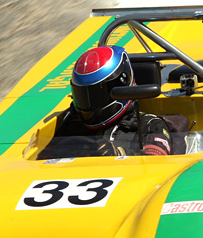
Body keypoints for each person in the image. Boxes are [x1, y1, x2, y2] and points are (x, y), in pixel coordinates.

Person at [44, 46, 172, 157]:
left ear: (122, 84)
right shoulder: (71, 126)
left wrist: (119, 154)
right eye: (83, 95)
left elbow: (157, 161)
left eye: (96, 95)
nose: (90, 103)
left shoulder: (150, 124)